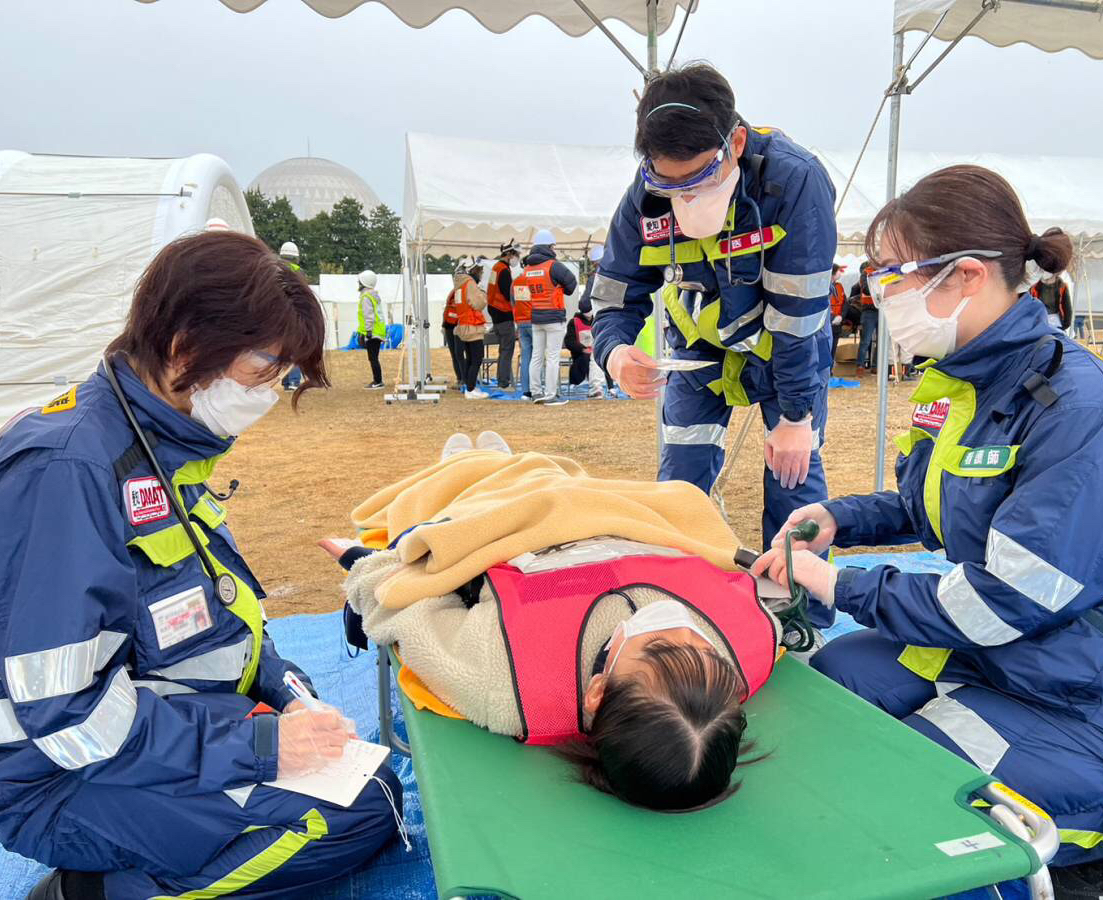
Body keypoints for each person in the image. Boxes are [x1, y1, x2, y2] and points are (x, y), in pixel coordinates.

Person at [755, 165, 1103, 898]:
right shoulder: (966, 382)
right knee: (838, 686)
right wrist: (840, 519)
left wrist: (840, 586)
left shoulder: (1083, 411)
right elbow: (936, 504)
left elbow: (1009, 598)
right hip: (1035, 647)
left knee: (916, 781)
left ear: (966, 275)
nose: (880, 295)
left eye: (892, 275)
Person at [0, 232, 403, 900]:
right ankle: (92, 893)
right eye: (264, 370)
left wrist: (285, 692)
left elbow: (218, 612)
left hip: (156, 735)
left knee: (362, 782)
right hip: (62, 781)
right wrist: (260, 747)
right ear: (184, 345)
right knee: (350, 812)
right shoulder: (68, 468)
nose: (268, 393)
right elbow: (68, 717)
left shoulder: (163, 441)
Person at [321, 432, 785, 812]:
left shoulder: (507, 681)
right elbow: (743, 572)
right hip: (609, 507)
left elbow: (412, 613)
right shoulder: (748, 648)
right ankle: (491, 457)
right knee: (547, 469)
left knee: (467, 478)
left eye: (660, 645)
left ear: (597, 691)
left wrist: (365, 565)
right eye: (707, 654)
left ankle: (467, 461)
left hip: (501, 520)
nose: (683, 625)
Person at [588, 63, 835, 628]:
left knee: (794, 486)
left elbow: (798, 316)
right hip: (697, 359)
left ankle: (802, 623)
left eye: (698, 178)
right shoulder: (644, 193)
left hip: (784, 357)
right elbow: (615, 294)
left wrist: (795, 415)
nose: (682, 194)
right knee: (679, 482)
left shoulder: (794, 181)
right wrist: (617, 354)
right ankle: (672, 606)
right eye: (666, 181)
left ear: (735, 143)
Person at [524, 228, 577, 406]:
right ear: (549, 246)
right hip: (554, 317)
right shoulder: (553, 265)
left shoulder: (529, 268)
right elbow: (571, 283)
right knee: (553, 356)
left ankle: (536, 392)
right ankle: (550, 394)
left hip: (536, 317)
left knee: (536, 356)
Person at [578, 244, 616, 399]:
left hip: (601, 319)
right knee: (616, 350)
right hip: (620, 318)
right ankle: (614, 387)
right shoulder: (618, 274)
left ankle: (596, 388)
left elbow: (584, 304)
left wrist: (588, 313)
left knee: (598, 354)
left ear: (595, 263)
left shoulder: (594, 278)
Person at [451, 256, 489, 399]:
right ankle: (471, 389)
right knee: (477, 358)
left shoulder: (459, 284)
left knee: (470, 358)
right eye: (478, 270)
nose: (479, 273)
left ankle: (469, 387)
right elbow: (478, 304)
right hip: (472, 326)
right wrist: (483, 294)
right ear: (471, 269)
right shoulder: (470, 283)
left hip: (463, 324)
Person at [487, 241, 521, 389]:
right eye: (516, 255)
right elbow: (509, 295)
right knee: (507, 350)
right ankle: (503, 382)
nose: (517, 258)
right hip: (503, 314)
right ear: (508, 254)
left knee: (504, 350)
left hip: (496, 313)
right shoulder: (504, 271)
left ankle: (502, 380)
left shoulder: (496, 268)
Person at [278, 242, 306, 391]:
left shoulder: (275, 270)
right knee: (295, 350)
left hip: (278, 315)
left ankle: (286, 382)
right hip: (294, 314)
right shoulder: (299, 272)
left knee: (284, 349)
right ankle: (294, 381)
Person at [510, 262, 536, 401]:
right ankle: (537, 389)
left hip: (521, 322)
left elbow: (512, 302)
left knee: (526, 357)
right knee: (537, 357)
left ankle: (526, 391)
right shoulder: (534, 279)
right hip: (534, 321)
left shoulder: (515, 282)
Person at [357, 270, 386, 388]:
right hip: (378, 331)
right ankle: (378, 380)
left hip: (372, 332)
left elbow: (368, 315)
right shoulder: (374, 296)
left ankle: (378, 381)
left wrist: (368, 332)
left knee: (373, 358)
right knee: (374, 357)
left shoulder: (366, 297)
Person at [850, 260, 878, 375]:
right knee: (865, 341)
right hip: (869, 311)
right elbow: (866, 289)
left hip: (882, 311)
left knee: (881, 342)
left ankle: (876, 366)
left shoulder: (885, 272)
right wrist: (880, 285)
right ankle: (860, 365)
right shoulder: (866, 273)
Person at [442, 284, 466, 387]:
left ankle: (462, 379)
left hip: (453, 325)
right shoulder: (456, 292)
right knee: (457, 355)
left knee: (457, 354)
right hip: (453, 325)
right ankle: (461, 379)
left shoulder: (456, 292)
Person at [828, 263, 847, 368]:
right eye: (838, 271)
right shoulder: (823, 286)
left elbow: (845, 303)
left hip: (837, 324)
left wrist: (841, 316)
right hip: (827, 324)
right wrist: (832, 318)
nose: (840, 273)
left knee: (833, 348)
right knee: (826, 348)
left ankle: (830, 370)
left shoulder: (839, 287)